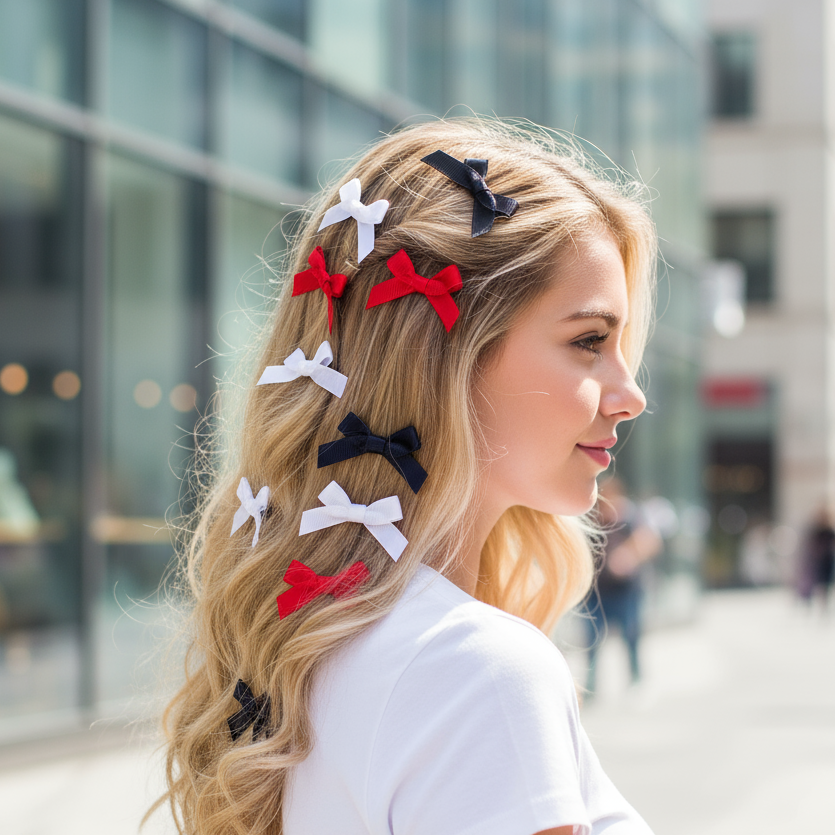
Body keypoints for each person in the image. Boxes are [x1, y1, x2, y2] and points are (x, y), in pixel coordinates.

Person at [153, 118, 658, 835]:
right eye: (588, 341)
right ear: (442, 355)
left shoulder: (309, 651)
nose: (629, 392)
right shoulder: (476, 670)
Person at [584, 477, 662, 697]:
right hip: (597, 590)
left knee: (631, 635)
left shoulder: (630, 516)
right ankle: (591, 685)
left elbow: (651, 540)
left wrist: (629, 554)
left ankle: (636, 679)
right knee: (592, 639)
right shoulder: (592, 518)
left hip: (626, 590)